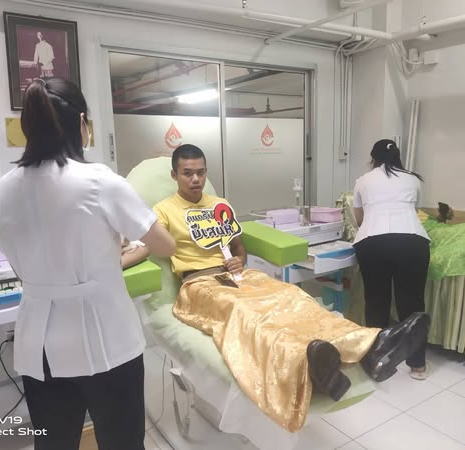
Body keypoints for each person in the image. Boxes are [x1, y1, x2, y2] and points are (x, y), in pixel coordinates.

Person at [150, 144, 430, 433]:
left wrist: (239, 260)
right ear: (174, 175)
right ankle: (305, 361)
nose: (196, 179)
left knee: (292, 296)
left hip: (237, 275)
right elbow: (147, 245)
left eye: (200, 172)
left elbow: (238, 247)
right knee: (247, 312)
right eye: (188, 173)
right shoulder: (163, 211)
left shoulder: (219, 204)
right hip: (198, 284)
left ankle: (371, 348)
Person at [0, 78, 175, 450]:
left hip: (38, 345)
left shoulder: (3, 189)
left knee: (54, 443)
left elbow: (23, 266)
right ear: (81, 123)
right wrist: (117, 246)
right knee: (122, 443)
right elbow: (164, 245)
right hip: (106, 341)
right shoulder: (99, 181)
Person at [352, 138, 431, 380]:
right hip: (413, 242)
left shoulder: (362, 181)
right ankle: (417, 365)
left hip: (372, 242)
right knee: (412, 304)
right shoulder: (413, 180)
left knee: (377, 301)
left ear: (373, 159)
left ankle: (376, 362)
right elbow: (414, 212)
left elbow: (359, 218)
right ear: (397, 157)